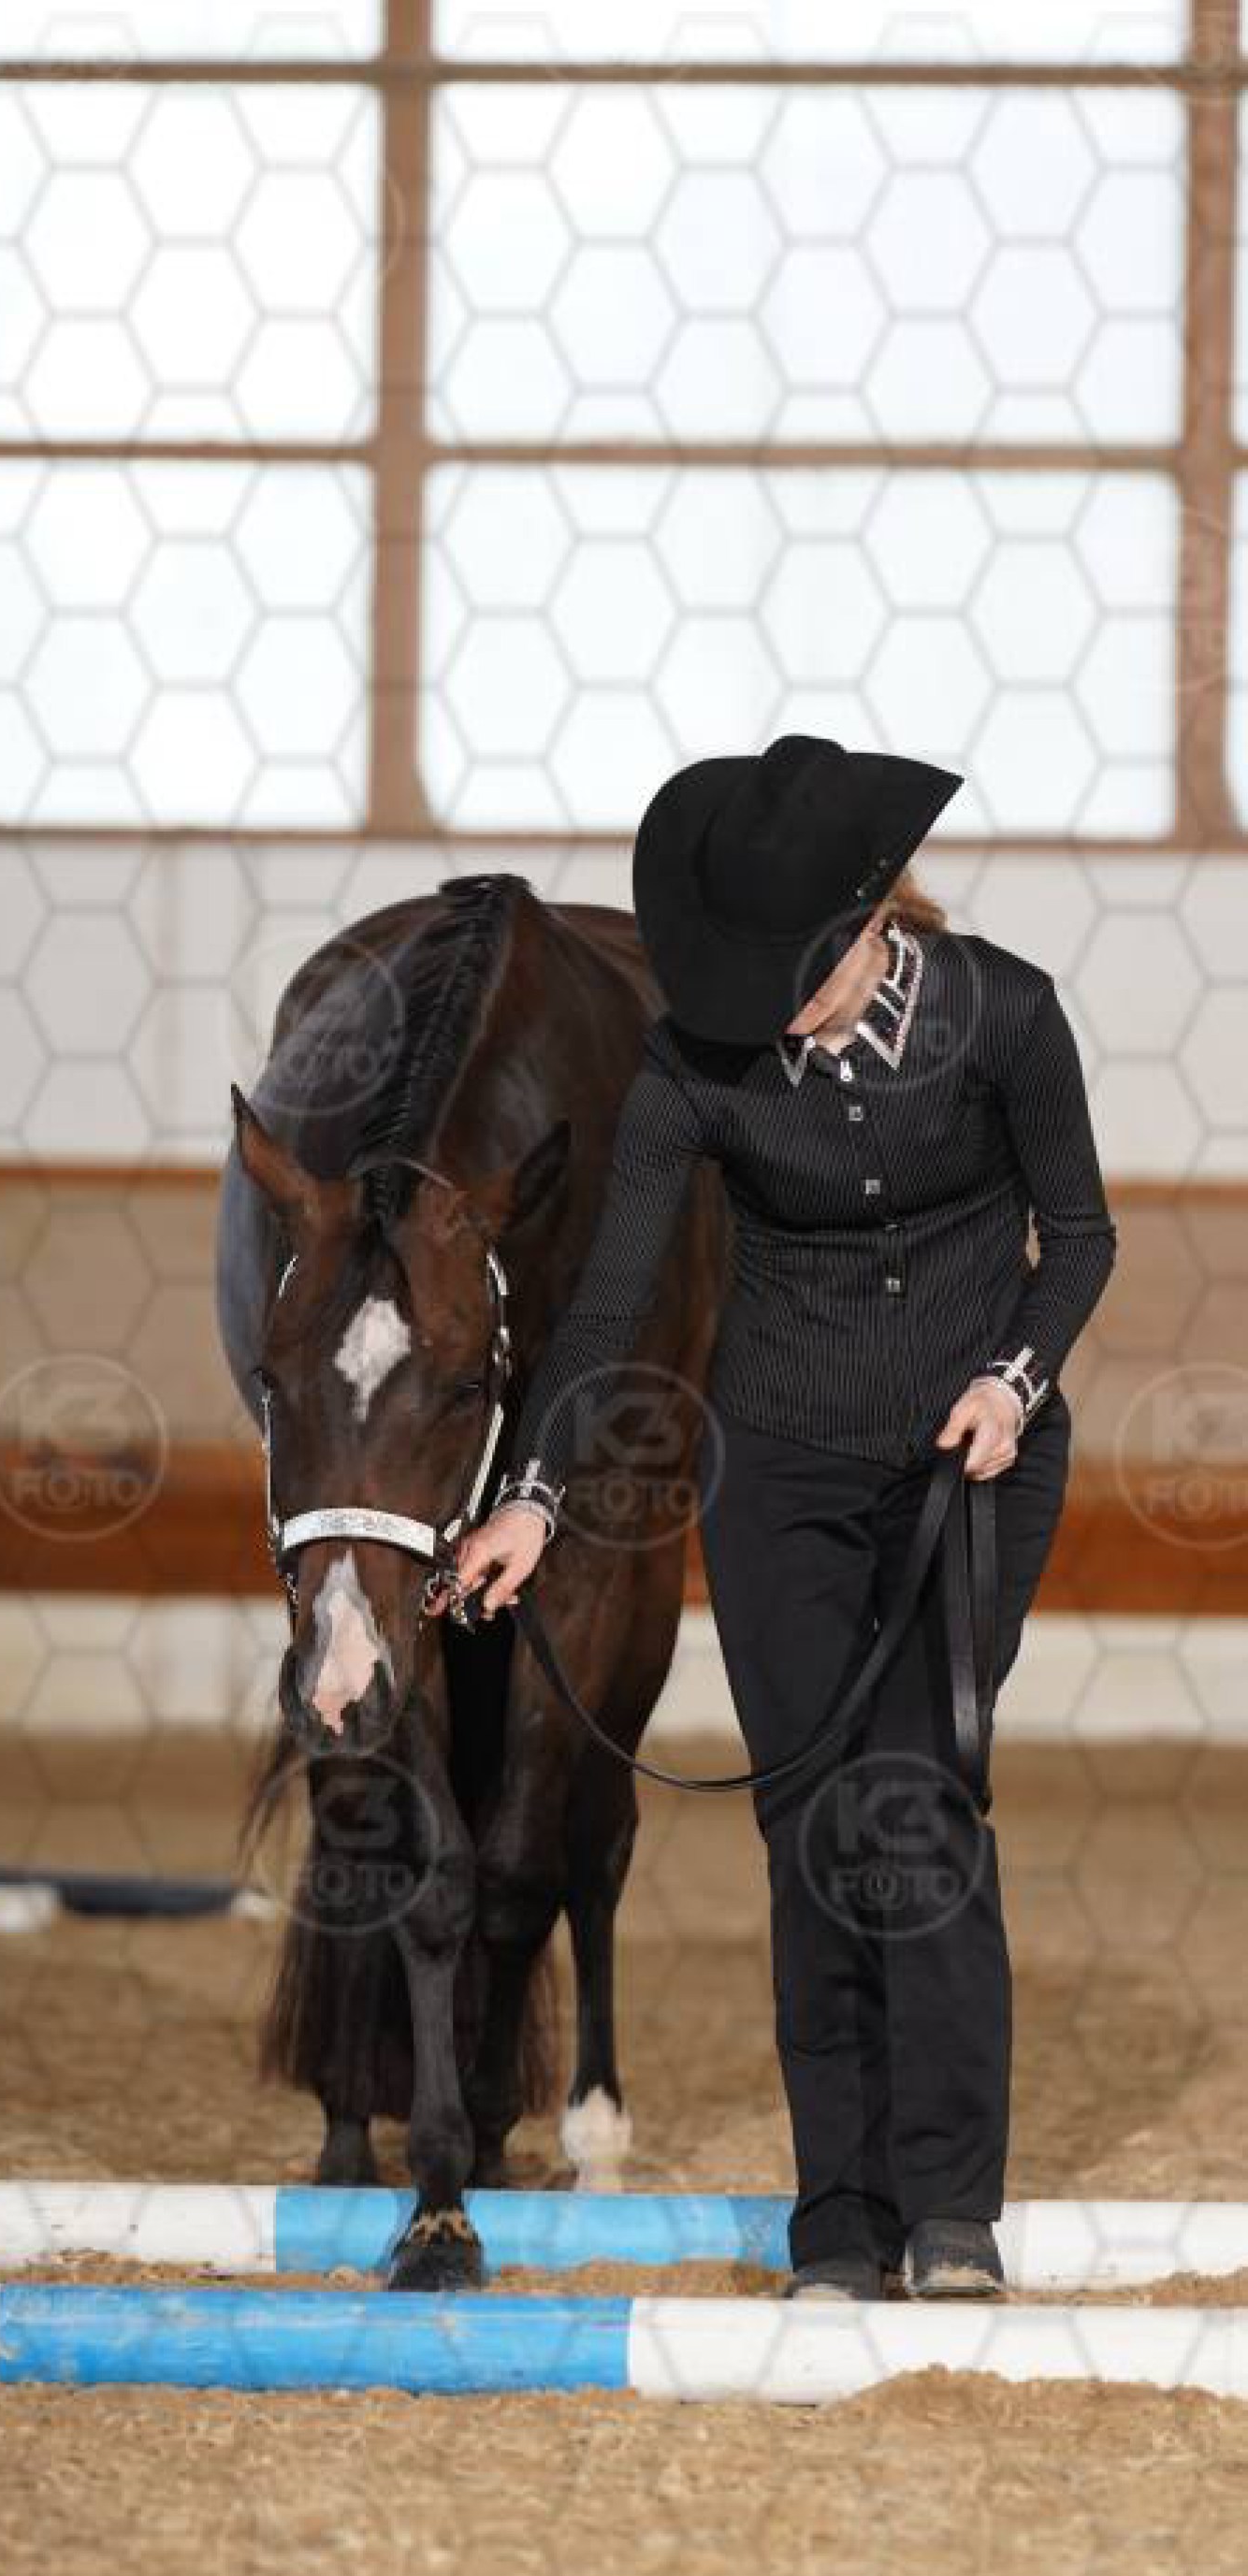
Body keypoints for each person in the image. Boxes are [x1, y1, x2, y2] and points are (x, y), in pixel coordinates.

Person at [443, 732, 1119, 2301]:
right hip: (781, 1473)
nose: (767, 1007)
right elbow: (611, 1298)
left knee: (917, 1806)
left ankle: (950, 2211)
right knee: (813, 1826)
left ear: (873, 916)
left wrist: (1014, 1379)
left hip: (976, 1463)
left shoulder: (1006, 1014)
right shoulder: (697, 1063)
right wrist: (532, 1496)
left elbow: (1078, 1236)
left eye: (793, 975)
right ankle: (841, 2216)